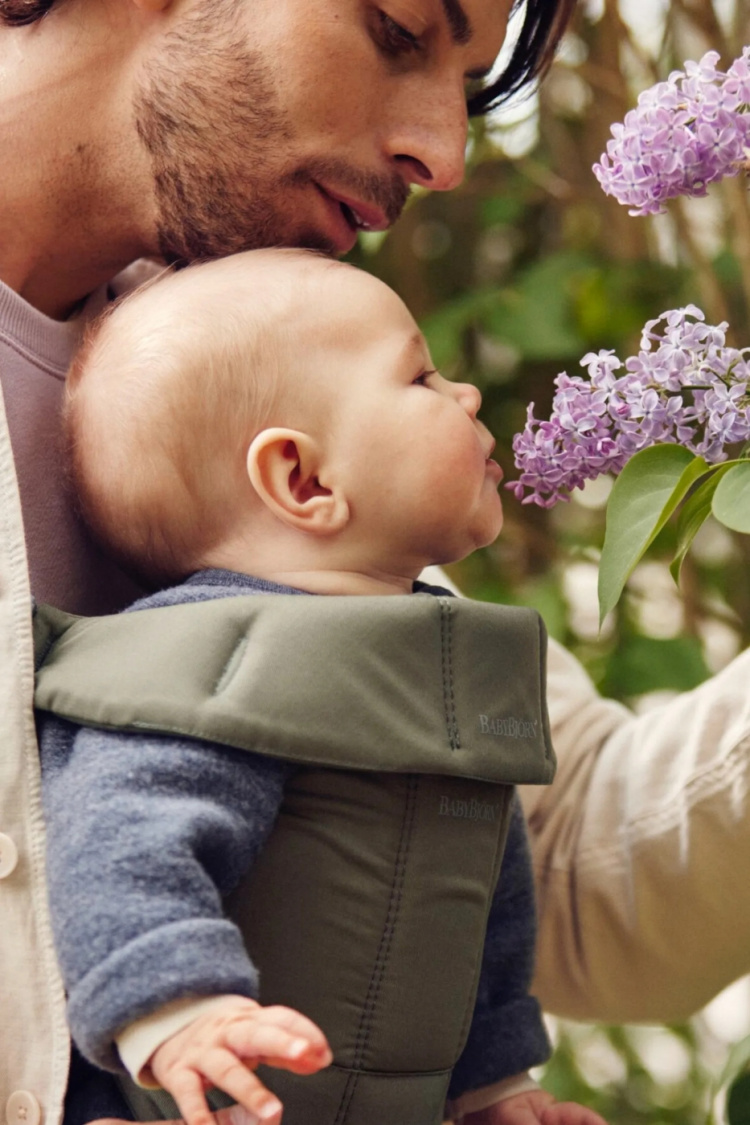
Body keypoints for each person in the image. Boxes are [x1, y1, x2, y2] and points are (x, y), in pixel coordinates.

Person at [1, 1, 749, 1124]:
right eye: (398, 29)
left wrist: (493, 1087)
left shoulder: (261, 359)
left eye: (472, 85)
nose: (443, 156)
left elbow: (561, 857)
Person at [38, 247, 604, 1125]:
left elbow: (477, 915)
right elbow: (117, 844)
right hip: (208, 1095)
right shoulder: (203, 669)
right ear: (303, 480)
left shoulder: (444, 663)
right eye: (421, 377)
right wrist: (181, 1012)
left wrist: (493, 1088)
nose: (467, 395)